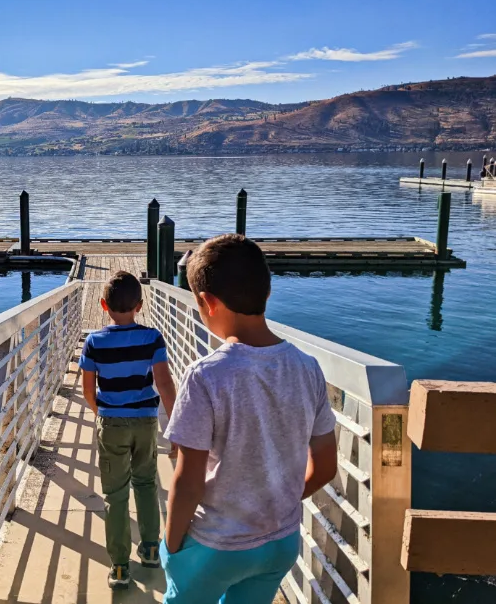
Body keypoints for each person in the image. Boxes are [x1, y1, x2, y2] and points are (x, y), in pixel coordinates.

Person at [161, 234, 338, 604]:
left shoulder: (205, 376)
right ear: (267, 293)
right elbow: (324, 468)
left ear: (208, 303)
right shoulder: (309, 369)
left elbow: (189, 479)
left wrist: (171, 545)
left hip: (217, 546)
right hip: (280, 543)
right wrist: (283, 501)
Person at [79, 270, 177, 590]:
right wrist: (175, 426)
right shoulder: (153, 338)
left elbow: (88, 390)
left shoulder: (94, 342)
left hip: (112, 423)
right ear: (140, 304)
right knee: (146, 483)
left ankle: (120, 567)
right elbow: (164, 383)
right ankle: (150, 549)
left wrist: (103, 414)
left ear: (103, 305)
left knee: (115, 494)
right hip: (146, 421)